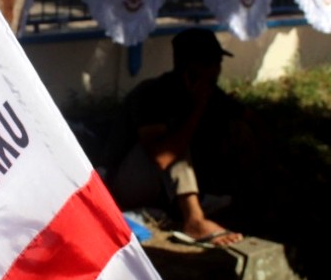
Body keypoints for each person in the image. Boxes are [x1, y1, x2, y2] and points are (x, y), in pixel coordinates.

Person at [104, 28, 256, 245]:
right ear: (185, 65)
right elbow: (162, 157)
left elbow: (250, 118)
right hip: (126, 183)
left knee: (239, 130)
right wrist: (197, 107)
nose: (214, 69)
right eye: (206, 63)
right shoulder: (152, 94)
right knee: (173, 147)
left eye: (216, 62)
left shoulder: (212, 93)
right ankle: (194, 220)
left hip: (163, 191)